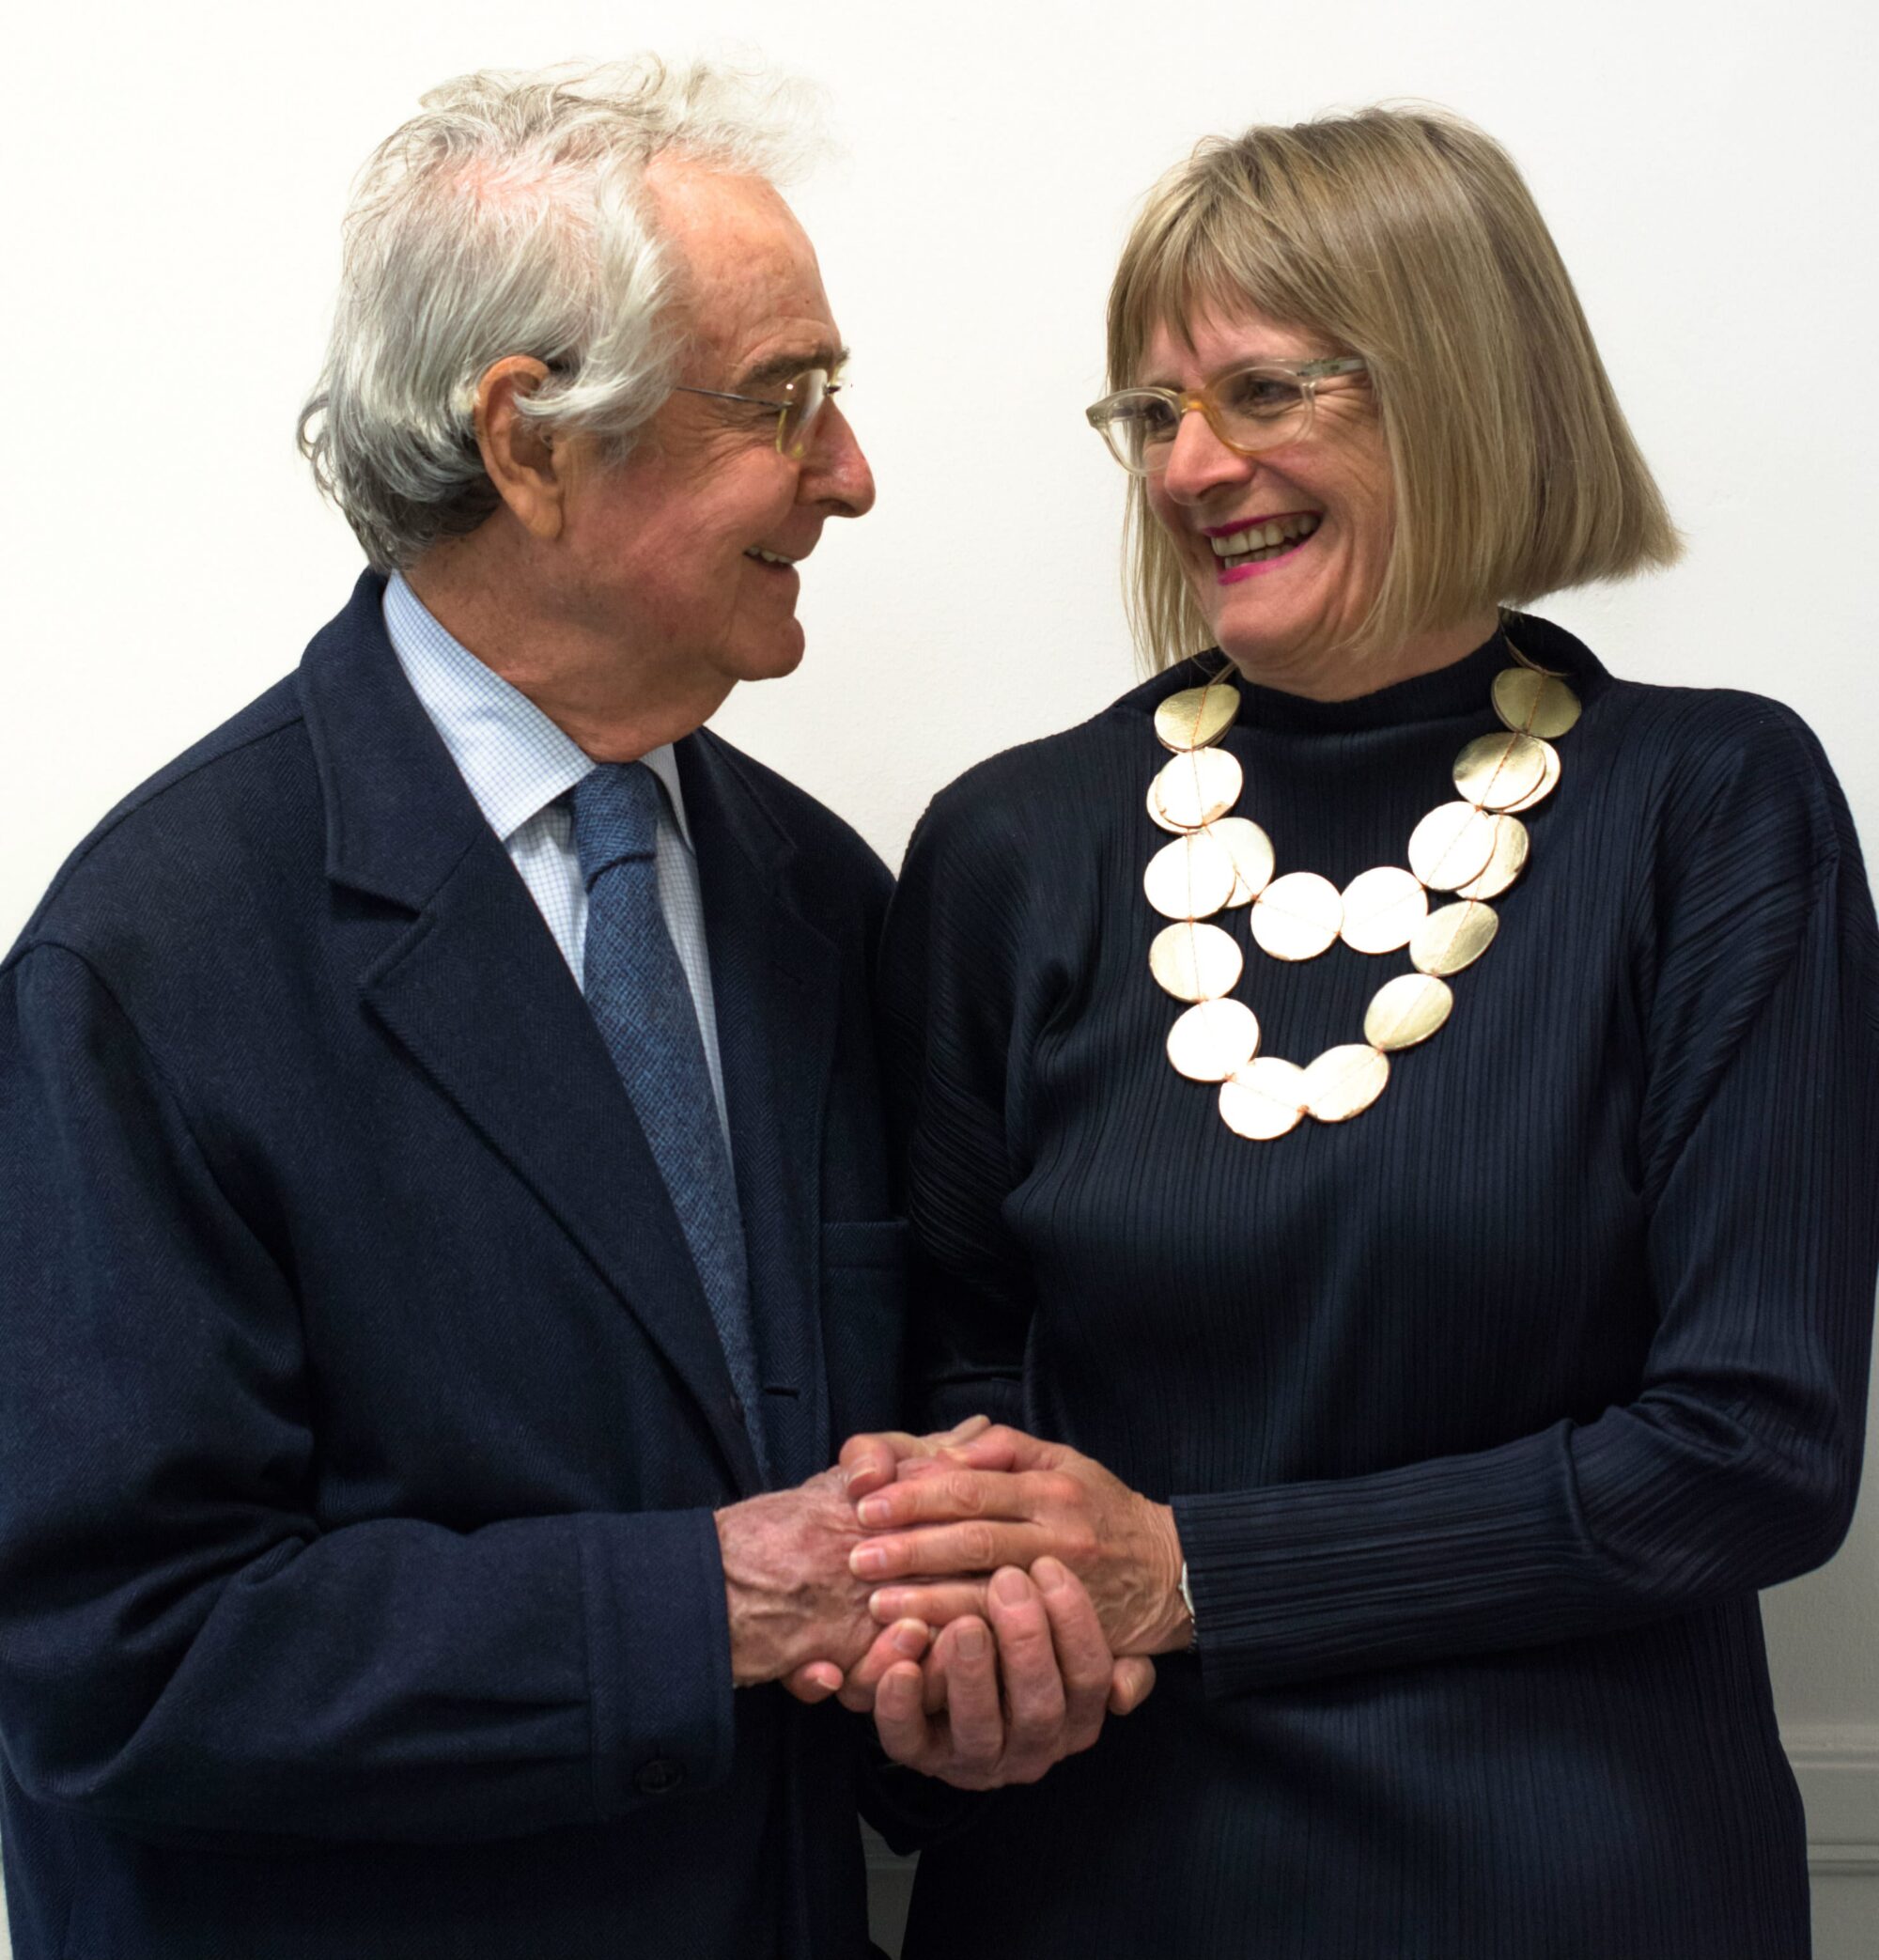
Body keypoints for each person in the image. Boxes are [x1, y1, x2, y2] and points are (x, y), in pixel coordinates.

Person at [0, 59, 1143, 1960]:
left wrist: (968, 1673)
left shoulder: (822, 900)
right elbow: (118, 1660)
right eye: (788, 400)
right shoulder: (150, 960)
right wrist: (712, 1599)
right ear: (531, 442)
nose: (851, 472)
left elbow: (883, 1475)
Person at [839, 108, 1879, 1956]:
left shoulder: (1709, 808)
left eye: (1258, 391)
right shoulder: (1013, 846)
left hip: (1570, 1886)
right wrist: (985, 1639)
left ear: (1454, 387)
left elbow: (1749, 1446)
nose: (1190, 466)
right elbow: (958, 1376)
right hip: (1090, 1884)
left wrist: (1187, 1573)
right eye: (1150, 414)